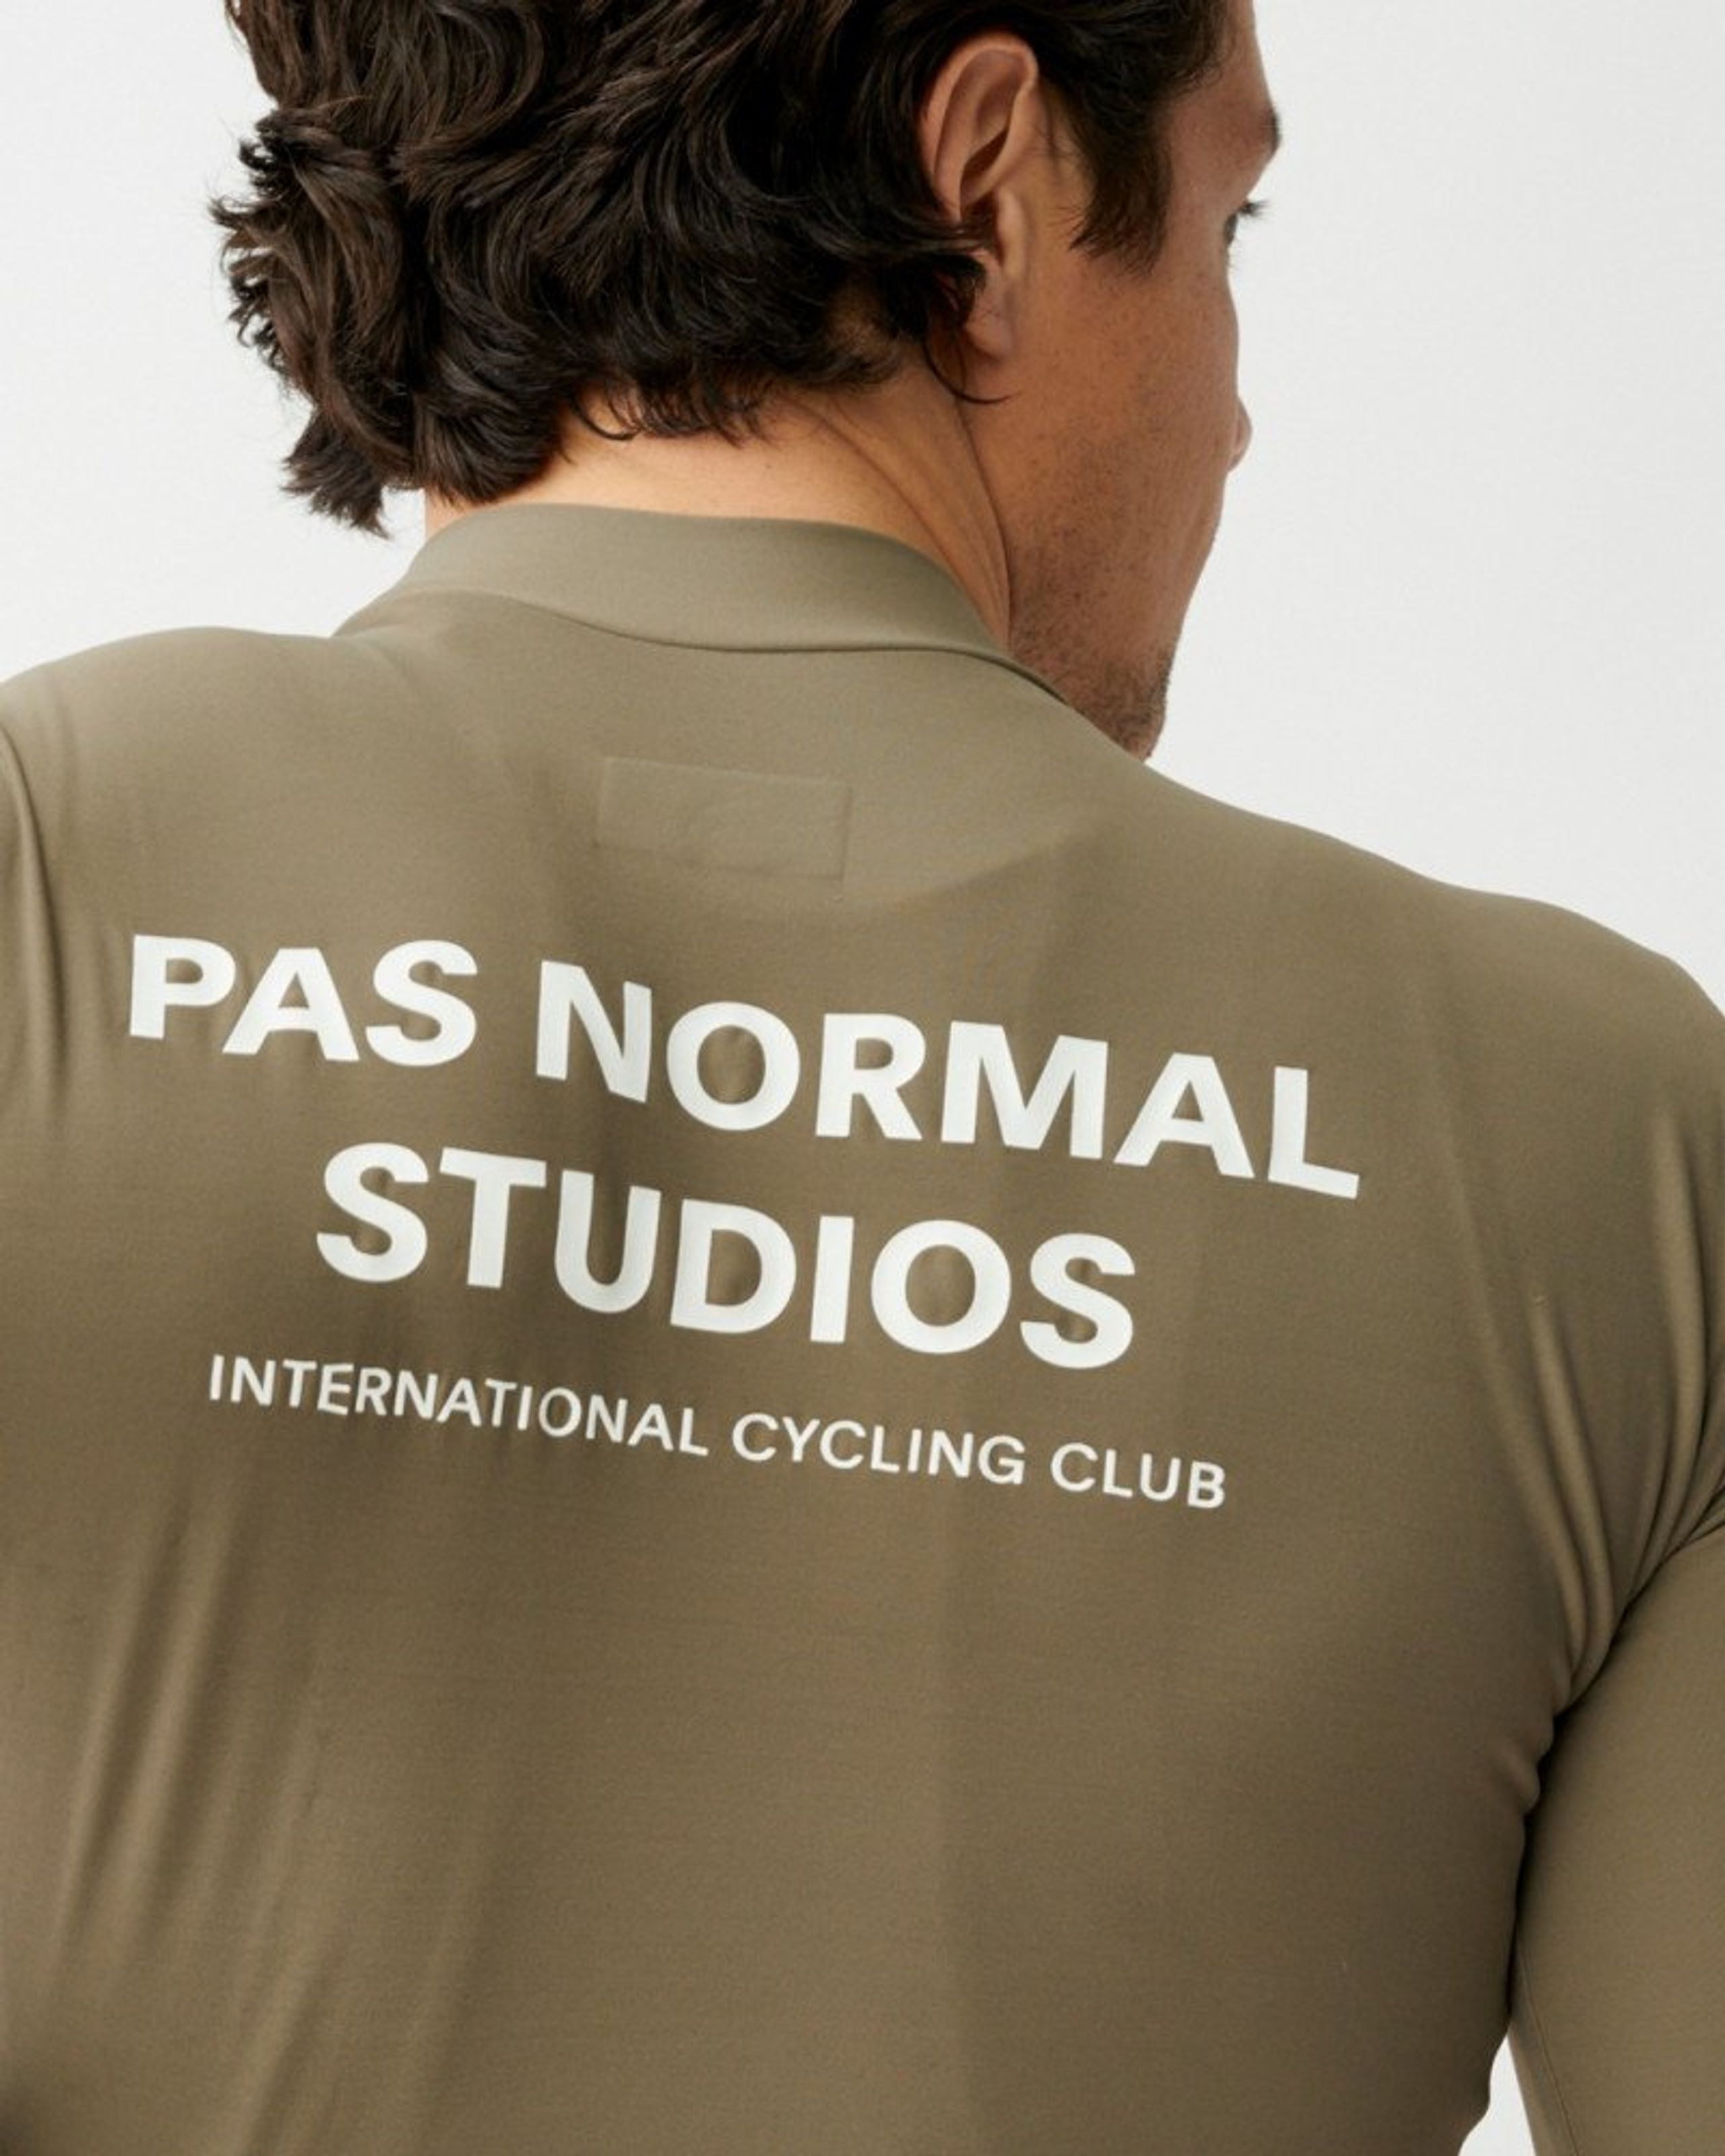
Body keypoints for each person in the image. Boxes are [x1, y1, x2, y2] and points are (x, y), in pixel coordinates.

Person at [0, 0, 1718, 2149]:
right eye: (1227, 224)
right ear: (988, 188)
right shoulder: (1619, 1146)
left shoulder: (43, 877)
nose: (1238, 413)